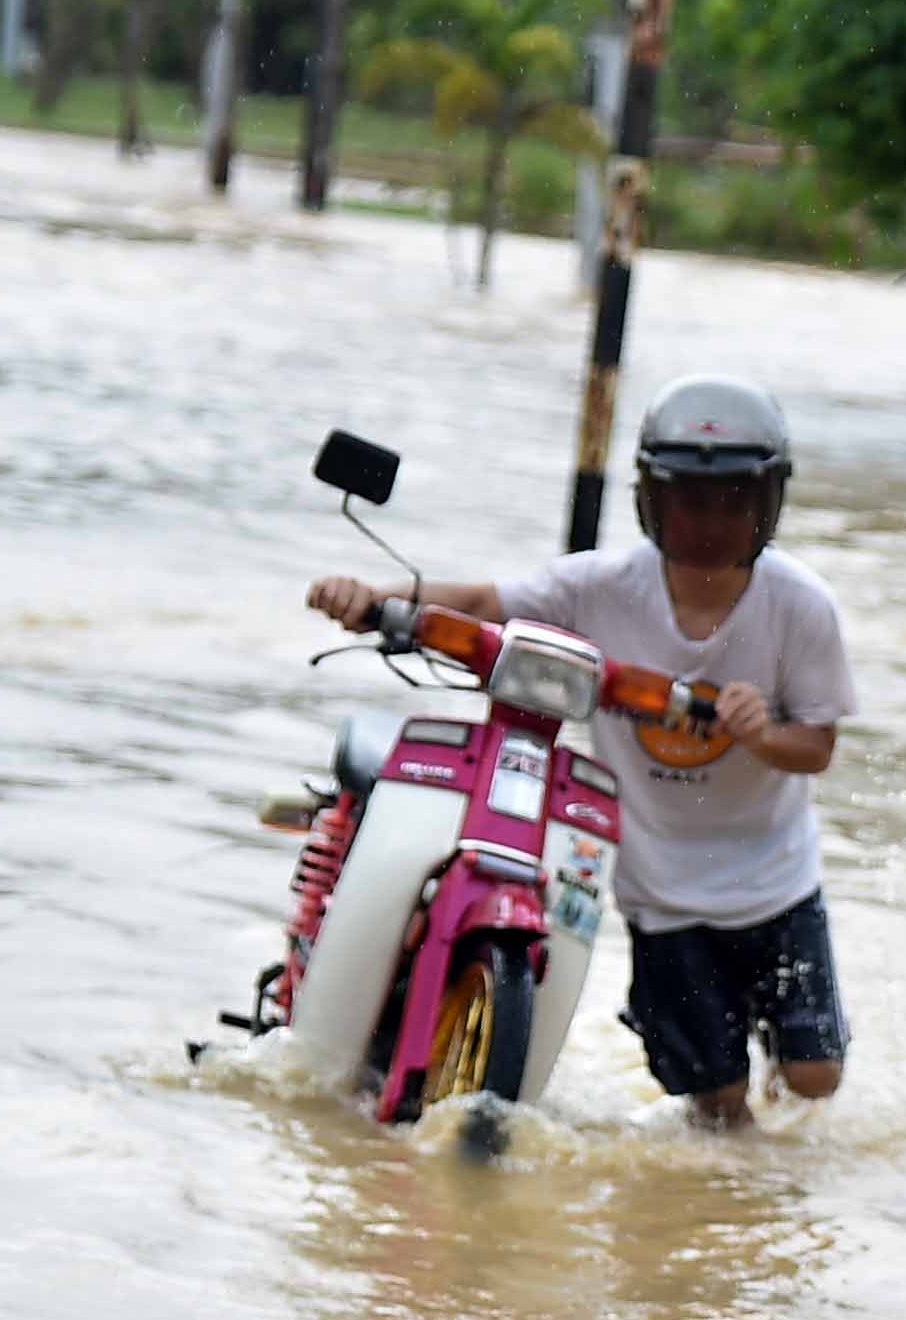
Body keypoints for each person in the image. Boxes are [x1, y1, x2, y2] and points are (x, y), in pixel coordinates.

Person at [307, 377, 863, 1126]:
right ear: (652, 501)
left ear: (767, 504)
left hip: (776, 881)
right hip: (661, 894)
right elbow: (485, 606)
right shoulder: (599, 588)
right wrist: (375, 599)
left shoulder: (801, 607)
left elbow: (818, 744)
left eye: (732, 500)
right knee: (717, 1108)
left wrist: (764, 735)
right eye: (689, 499)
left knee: (816, 1077)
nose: (709, 521)